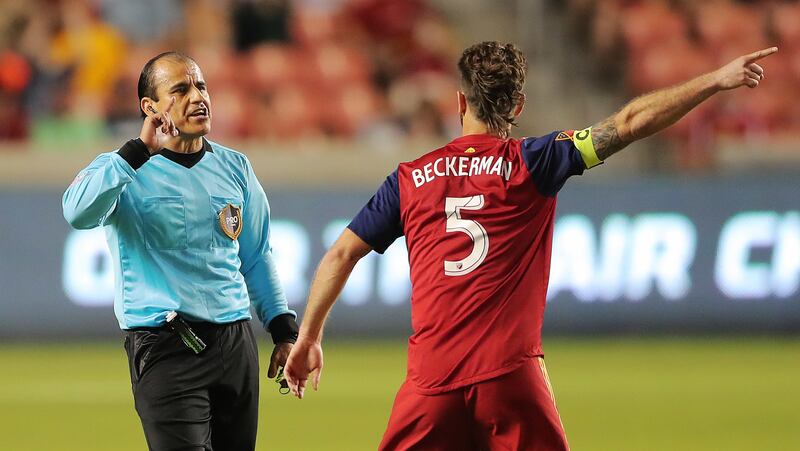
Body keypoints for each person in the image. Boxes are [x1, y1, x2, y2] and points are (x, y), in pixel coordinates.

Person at [284, 41, 777, 450]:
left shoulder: (409, 180)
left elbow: (340, 254)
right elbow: (628, 123)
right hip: (510, 379)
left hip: (430, 383)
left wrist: (308, 337)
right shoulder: (536, 162)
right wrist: (713, 80)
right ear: (517, 107)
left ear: (459, 102)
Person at [62, 51, 297, 451]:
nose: (198, 97)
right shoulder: (123, 168)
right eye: (181, 89)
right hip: (165, 344)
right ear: (150, 108)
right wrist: (137, 150)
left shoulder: (236, 167)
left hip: (235, 343)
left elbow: (256, 255)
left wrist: (283, 330)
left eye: (201, 85)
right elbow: (77, 212)